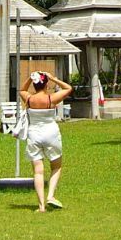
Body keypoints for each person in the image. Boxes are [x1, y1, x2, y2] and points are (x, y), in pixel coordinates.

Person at [19, 70, 73, 212]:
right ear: (46, 85)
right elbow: (68, 88)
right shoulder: (51, 99)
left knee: (38, 171)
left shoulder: (29, 99)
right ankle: (50, 196)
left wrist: (30, 78)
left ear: (35, 85)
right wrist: (54, 78)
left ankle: (41, 206)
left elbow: (22, 89)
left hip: (34, 135)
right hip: (51, 134)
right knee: (56, 166)